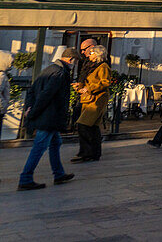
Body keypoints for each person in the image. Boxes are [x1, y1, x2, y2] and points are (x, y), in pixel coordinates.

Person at [18, 47, 77, 190]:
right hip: (50, 116)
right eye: (75, 61)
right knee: (39, 147)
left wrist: (29, 108)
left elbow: (32, 90)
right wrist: (33, 113)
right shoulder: (60, 73)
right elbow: (47, 95)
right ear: (71, 60)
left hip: (47, 116)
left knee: (56, 143)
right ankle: (25, 178)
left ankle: (59, 174)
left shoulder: (48, 69)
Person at [72, 44, 110, 163]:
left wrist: (89, 89)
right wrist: (80, 86)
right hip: (88, 100)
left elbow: (105, 82)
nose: (89, 54)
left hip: (97, 100)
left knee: (83, 124)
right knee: (92, 127)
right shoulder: (90, 66)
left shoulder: (103, 66)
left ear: (98, 54)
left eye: (92, 52)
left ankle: (86, 153)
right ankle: (94, 153)